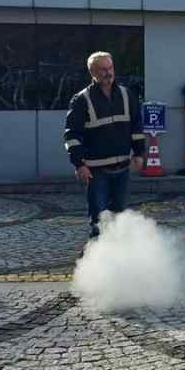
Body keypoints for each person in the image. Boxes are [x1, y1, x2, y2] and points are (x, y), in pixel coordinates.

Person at [64, 51, 146, 239]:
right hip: (95, 171)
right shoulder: (81, 100)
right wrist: (79, 164)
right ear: (92, 72)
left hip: (123, 168)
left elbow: (136, 126)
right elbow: (72, 135)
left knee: (119, 218)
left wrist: (139, 153)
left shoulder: (127, 95)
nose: (108, 73)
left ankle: (118, 261)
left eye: (110, 68)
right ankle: (94, 264)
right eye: (103, 69)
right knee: (99, 221)